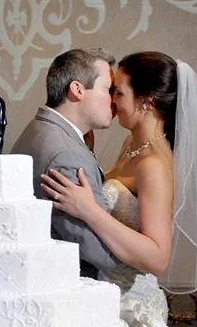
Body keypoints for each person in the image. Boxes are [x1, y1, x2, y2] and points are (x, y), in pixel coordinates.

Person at [40, 52, 197, 327]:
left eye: (118, 92)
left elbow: (158, 257)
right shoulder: (131, 146)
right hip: (104, 297)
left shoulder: (153, 164)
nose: (111, 100)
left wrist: (90, 212)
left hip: (132, 309)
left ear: (146, 100)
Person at [11, 48, 119, 280]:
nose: (114, 100)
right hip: (72, 285)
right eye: (107, 89)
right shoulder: (67, 154)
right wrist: (143, 249)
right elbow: (99, 254)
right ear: (77, 89)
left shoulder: (39, 128)